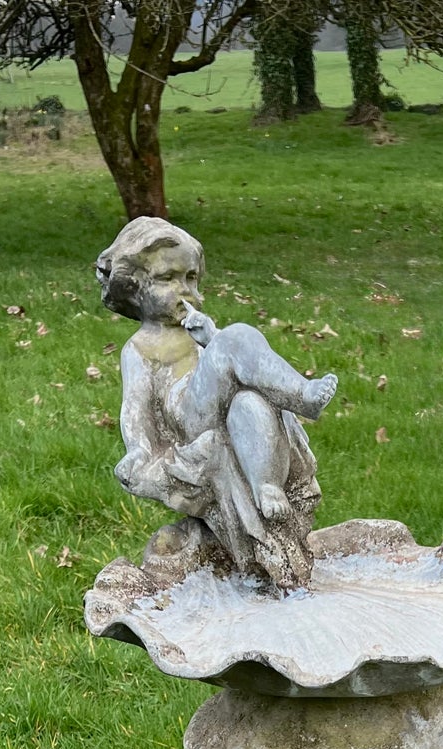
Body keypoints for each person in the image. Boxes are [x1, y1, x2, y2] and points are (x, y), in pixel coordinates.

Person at [95, 218, 337, 588]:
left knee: (249, 404)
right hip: (188, 416)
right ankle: (302, 395)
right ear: (135, 287)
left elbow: (238, 367)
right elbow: (136, 409)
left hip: (216, 405)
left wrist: (210, 338)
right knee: (236, 337)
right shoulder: (140, 347)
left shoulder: (196, 329)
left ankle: (266, 484)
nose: (185, 290)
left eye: (191, 278)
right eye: (168, 278)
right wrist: (138, 451)